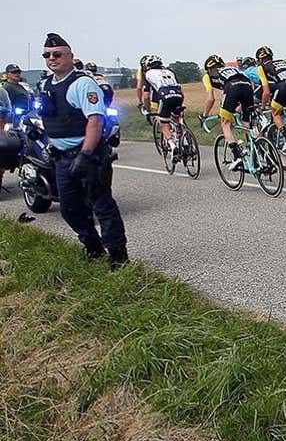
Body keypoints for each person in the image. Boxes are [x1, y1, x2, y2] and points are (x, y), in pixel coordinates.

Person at [35, 33, 128, 268]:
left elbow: (95, 120)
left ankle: (118, 256)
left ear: (70, 56)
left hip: (88, 155)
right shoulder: (47, 84)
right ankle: (93, 247)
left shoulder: (82, 83)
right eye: (47, 55)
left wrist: (86, 154)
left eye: (57, 54)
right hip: (62, 158)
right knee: (69, 209)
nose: (52, 58)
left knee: (102, 205)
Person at [200, 54, 260, 170]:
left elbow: (211, 98)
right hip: (248, 87)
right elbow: (246, 84)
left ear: (208, 68)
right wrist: (238, 107)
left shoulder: (207, 76)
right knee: (246, 122)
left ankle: (237, 156)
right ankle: (257, 152)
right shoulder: (233, 68)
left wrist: (204, 115)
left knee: (225, 123)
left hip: (232, 87)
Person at [136, 55, 186, 156]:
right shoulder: (169, 71)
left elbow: (146, 96)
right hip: (178, 95)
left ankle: (172, 145)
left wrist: (148, 110)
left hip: (164, 96)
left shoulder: (148, 74)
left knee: (164, 124)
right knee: (178, 120)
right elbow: (180, 89)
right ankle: (185, 141)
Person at [2, 64, 31, 129]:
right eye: (13, 72)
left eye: (18, 72)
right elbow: (5, 104)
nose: (17, 74)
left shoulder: (20, 86)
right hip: (15, 119)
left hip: (26, 116)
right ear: (7, 75)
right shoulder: (7, 87)